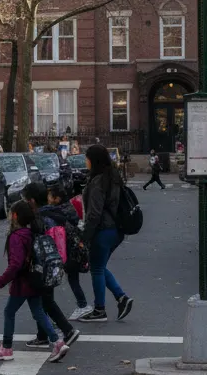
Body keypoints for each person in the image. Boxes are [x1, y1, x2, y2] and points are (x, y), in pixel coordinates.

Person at [0, 200, 69, 363]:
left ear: (16, 216)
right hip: (36, 279)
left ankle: (6, 347)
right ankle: (57, 342)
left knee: (9, 312)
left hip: (22, 283)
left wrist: (0, 282)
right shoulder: (33, 233)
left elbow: (16, 264)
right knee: (38, 311)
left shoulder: (16, 237)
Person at [21, 182, 82, 348]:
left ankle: (68, 330)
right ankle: (42, 335)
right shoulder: (55, 213)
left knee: (45, 301)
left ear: (32, 200)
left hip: (42, 265)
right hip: (57, 261)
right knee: (45, 298)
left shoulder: (38, 219)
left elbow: (35, 244)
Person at [80, 144, 135, 323]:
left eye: (87, 158)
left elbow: (94, 213)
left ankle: (99, 309)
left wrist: (85, 236)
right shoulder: (113, 177)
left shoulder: (97, 182)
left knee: (96, 268)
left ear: (93, 160)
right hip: (116, 230)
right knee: (100, 266)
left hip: (102, 230)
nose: (85, 161)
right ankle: (121, 298)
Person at [47, 183, 91, 319]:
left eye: (49, 196)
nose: (48, 198)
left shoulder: (59, 212)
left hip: (70, 251)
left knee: (72, 279)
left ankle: (83, 305)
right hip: (74, 249)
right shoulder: (68, 208)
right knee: (73, 279)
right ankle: (82, 305)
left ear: (57, 198)